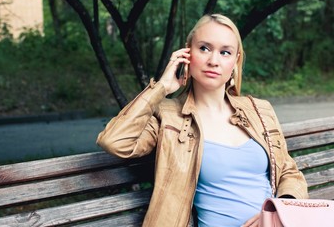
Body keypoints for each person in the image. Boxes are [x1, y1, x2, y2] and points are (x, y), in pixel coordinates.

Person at [96, 14, 308, 227]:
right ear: (187, 53)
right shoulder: (168, 117)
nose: (213, 61)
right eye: (204, 48)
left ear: (235, 61)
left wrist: (279, 211)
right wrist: (161, 88)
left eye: (225, 52)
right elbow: (115, 141)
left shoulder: (259, 111)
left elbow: (289, 172)